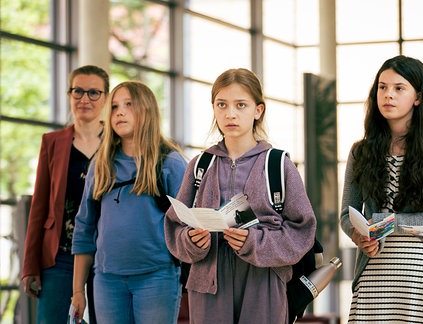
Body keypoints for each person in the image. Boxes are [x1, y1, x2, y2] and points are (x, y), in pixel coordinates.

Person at [164, 68, 317, 323]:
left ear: (258, 110)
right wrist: (191, 241)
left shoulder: (278, 164)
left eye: (240, 105)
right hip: (208, 282)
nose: (230, 113)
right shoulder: (200, 165)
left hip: (263, 281)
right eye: (221, 105)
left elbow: (302, 230)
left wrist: (254, 242)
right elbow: (174, 226)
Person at [339, 55, 423, 323]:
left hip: (420, 274)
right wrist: (359, 236)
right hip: (373, 269)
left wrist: (382, 222)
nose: (388, 95)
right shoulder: (361, 151)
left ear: (418, 97)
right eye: (382, 87)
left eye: (398, 88)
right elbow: (347, 214)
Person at [71, 81, 187, 323]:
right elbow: (84, 229)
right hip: (106, 280)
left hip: (157, 278)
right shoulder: (100, 166)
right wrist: (77, 290)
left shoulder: (170, 163)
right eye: (114, 107)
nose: (119, 112)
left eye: (129, 105)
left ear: (147, 110)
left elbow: (189, 226)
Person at [21, 65, 109, 324]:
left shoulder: (117, 144)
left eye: (94, 92)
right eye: (78, 91)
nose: (85, 99)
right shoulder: (53, 142)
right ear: (69, 94)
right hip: (60, 255)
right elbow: (39, 207)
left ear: (105, 98)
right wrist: (30, 266)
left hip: (105, 256)